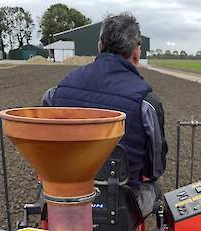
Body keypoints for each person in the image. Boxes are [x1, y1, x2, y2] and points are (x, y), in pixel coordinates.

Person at [42, 12, 168, 218]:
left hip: (64, 202)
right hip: (122, 209)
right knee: (153, 188)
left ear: (100, 47)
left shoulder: (56, 92)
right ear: (136, 52)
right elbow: (155, 168)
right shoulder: (146, 102)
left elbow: (45, 146)